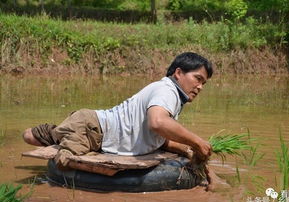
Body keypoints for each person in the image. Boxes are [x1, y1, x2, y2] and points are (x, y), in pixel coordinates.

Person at [22, 52, 213, 172]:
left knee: (31, 137)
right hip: (91, 128)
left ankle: (56, 131)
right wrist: (197, 141)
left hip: (94, 128)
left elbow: (157, 135)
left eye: (203, 83)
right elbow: (158, 123)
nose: (200, 87)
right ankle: (58, 132)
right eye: (197, 78)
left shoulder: (172, 95)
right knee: (63, 159)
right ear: (178, 73)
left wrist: (189, 149)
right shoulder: (167, 90)